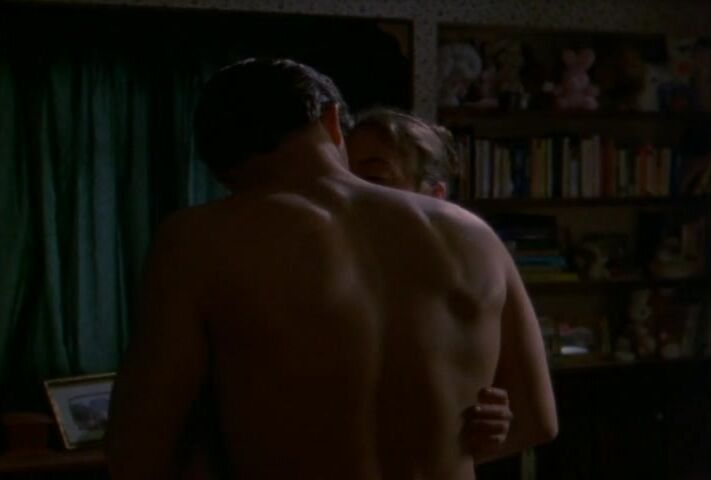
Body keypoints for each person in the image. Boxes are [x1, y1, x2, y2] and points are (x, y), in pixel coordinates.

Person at [107, 58, 557, 480]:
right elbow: (537, 420)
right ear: (332, 121)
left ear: (221, 162)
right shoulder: (473, 233)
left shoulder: (199, 238)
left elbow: (140, 446)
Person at [347, 107, 557, 465]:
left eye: (374, 179)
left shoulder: (478, 254)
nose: (349, 194)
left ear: (435, 196)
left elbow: (537, 420)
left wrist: (473, 441)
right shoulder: (322, 262)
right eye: (342, 178)